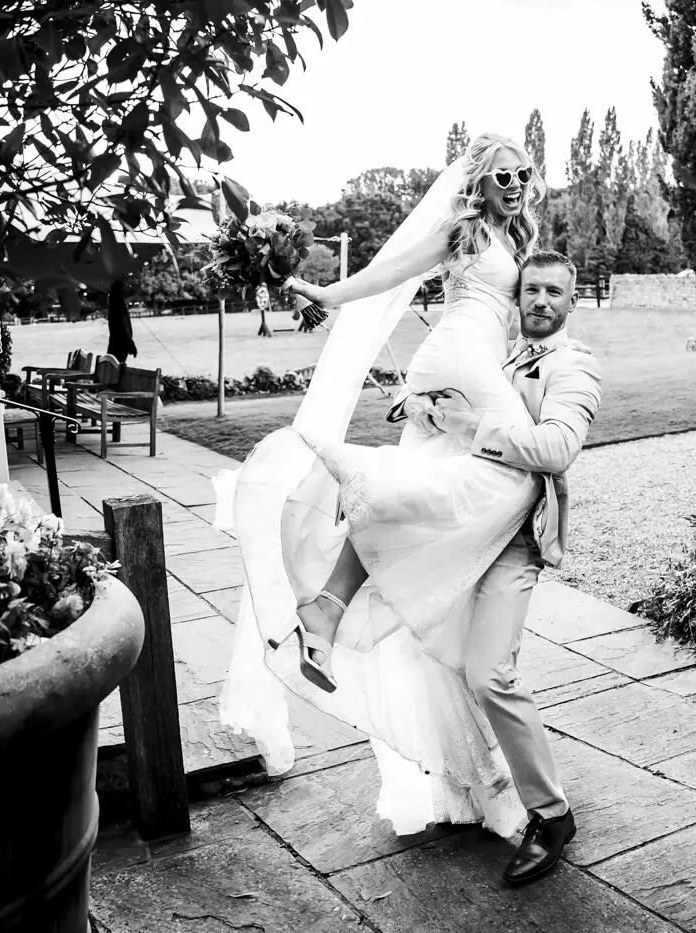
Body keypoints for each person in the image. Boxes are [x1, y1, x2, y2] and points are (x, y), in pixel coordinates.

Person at [215, 133, 550, 838]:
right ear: (477, 183)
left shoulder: (517, 237)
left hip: (468, 373)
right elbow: (388, 271)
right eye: (502, 175)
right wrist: (326, 292)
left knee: (405, 504)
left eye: (524, 172)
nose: (516, 182)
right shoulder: (462, 233)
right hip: (456, 369)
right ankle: (343, 599)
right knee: (518, 485)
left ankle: (329, 608)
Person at [407, 249, 602, 885]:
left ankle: (551, 815)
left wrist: (473, 425)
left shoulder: (575, 365)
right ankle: (479, 786)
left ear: (572, 301)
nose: (541, 301)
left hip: (514, 540)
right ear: (515, 300)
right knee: (439, 654)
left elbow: (556, 447)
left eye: (554, 292)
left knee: (492, 674)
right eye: (531, 291)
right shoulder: (502, 358)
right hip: (465, 528)